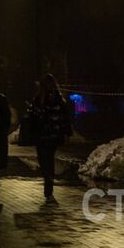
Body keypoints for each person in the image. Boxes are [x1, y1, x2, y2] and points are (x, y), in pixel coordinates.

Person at [29, 73, 72, 202]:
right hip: (52, 134)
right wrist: (66, 132)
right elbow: (65, 117)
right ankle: (49, 184)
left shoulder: (40, 99)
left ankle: (48, 183)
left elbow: (33, 117)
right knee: (48, 159)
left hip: (43, 135)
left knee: (44, 159)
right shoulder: (58, 99)